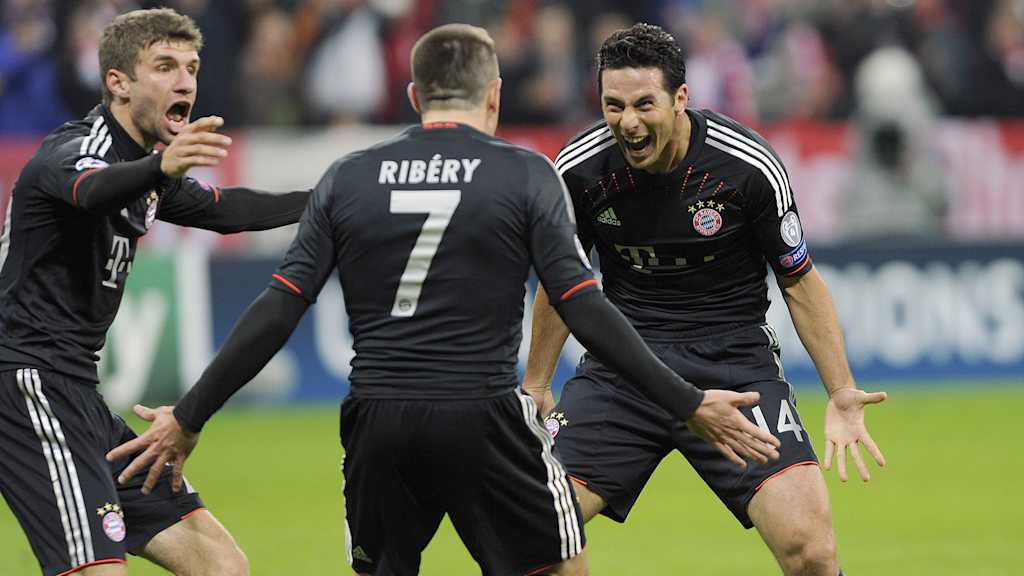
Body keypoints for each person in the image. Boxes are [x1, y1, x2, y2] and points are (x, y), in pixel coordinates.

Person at [107, 23, 781, 576]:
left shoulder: (349, 177)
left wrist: (190, 417)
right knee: (556, 568)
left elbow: (278, 309)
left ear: (412, 93)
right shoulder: (524, 173)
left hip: (378, 422)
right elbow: (583, 305)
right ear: (493, 95)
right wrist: (687, 402)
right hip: (485, 417)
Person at [522, 23, 888, 576]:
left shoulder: (747, 168)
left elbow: (799, 281)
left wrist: (840, 392)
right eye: (613, 105)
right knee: (534, 536)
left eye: (645, 104)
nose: (628, 122)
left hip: (735, 369)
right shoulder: (578, 170)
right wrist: (536, 387)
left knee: (812, 552)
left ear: (681, 99)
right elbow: (561, 282)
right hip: (625, 369)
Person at [0, 8, 311, 576]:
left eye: (191, 67)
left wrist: (331, 200)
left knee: (220, 562)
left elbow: (226, 210)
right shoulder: (75, 150)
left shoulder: (146, 170)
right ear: (118, 82)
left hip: (80, 393)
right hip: (26, 386)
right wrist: (159, 168)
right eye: (165, 66)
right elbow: (89, 190)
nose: (185, 81)